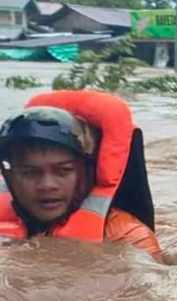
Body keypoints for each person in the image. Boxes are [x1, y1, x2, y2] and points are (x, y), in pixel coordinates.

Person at [0, 90, 162, 260]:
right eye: (30, 173)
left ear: (86, 173)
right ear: (9, 176)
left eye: (64, 171)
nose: (47, 185)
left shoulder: (128, 237)